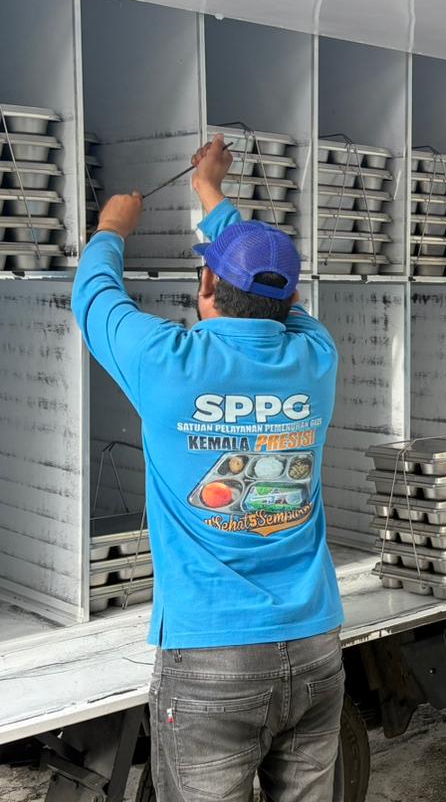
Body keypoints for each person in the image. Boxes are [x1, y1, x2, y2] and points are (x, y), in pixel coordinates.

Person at [72, 135, 345, 802]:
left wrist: (112, 228)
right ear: (289, 300)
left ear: (204, 285)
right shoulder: (316, 359)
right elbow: (276, 297)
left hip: (208, 659)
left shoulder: (168, 364)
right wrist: (212, 194)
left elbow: (93, 297)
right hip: (314, 646)